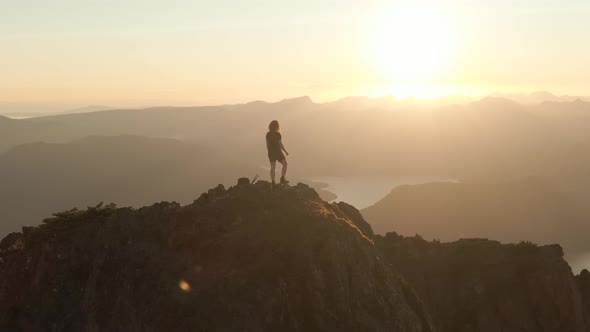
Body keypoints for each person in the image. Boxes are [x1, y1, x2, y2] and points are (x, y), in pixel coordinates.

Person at [266, 120, 289, 185]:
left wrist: (269, 152)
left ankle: (273, 182)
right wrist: (285, 151)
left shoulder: (268, 134)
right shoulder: (278, 134)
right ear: (277, 126)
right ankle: (282, 178)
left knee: (272, 167)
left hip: (271, 152)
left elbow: (267, 145)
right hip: (278, 152)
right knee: (285, 164)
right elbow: (280, 144)